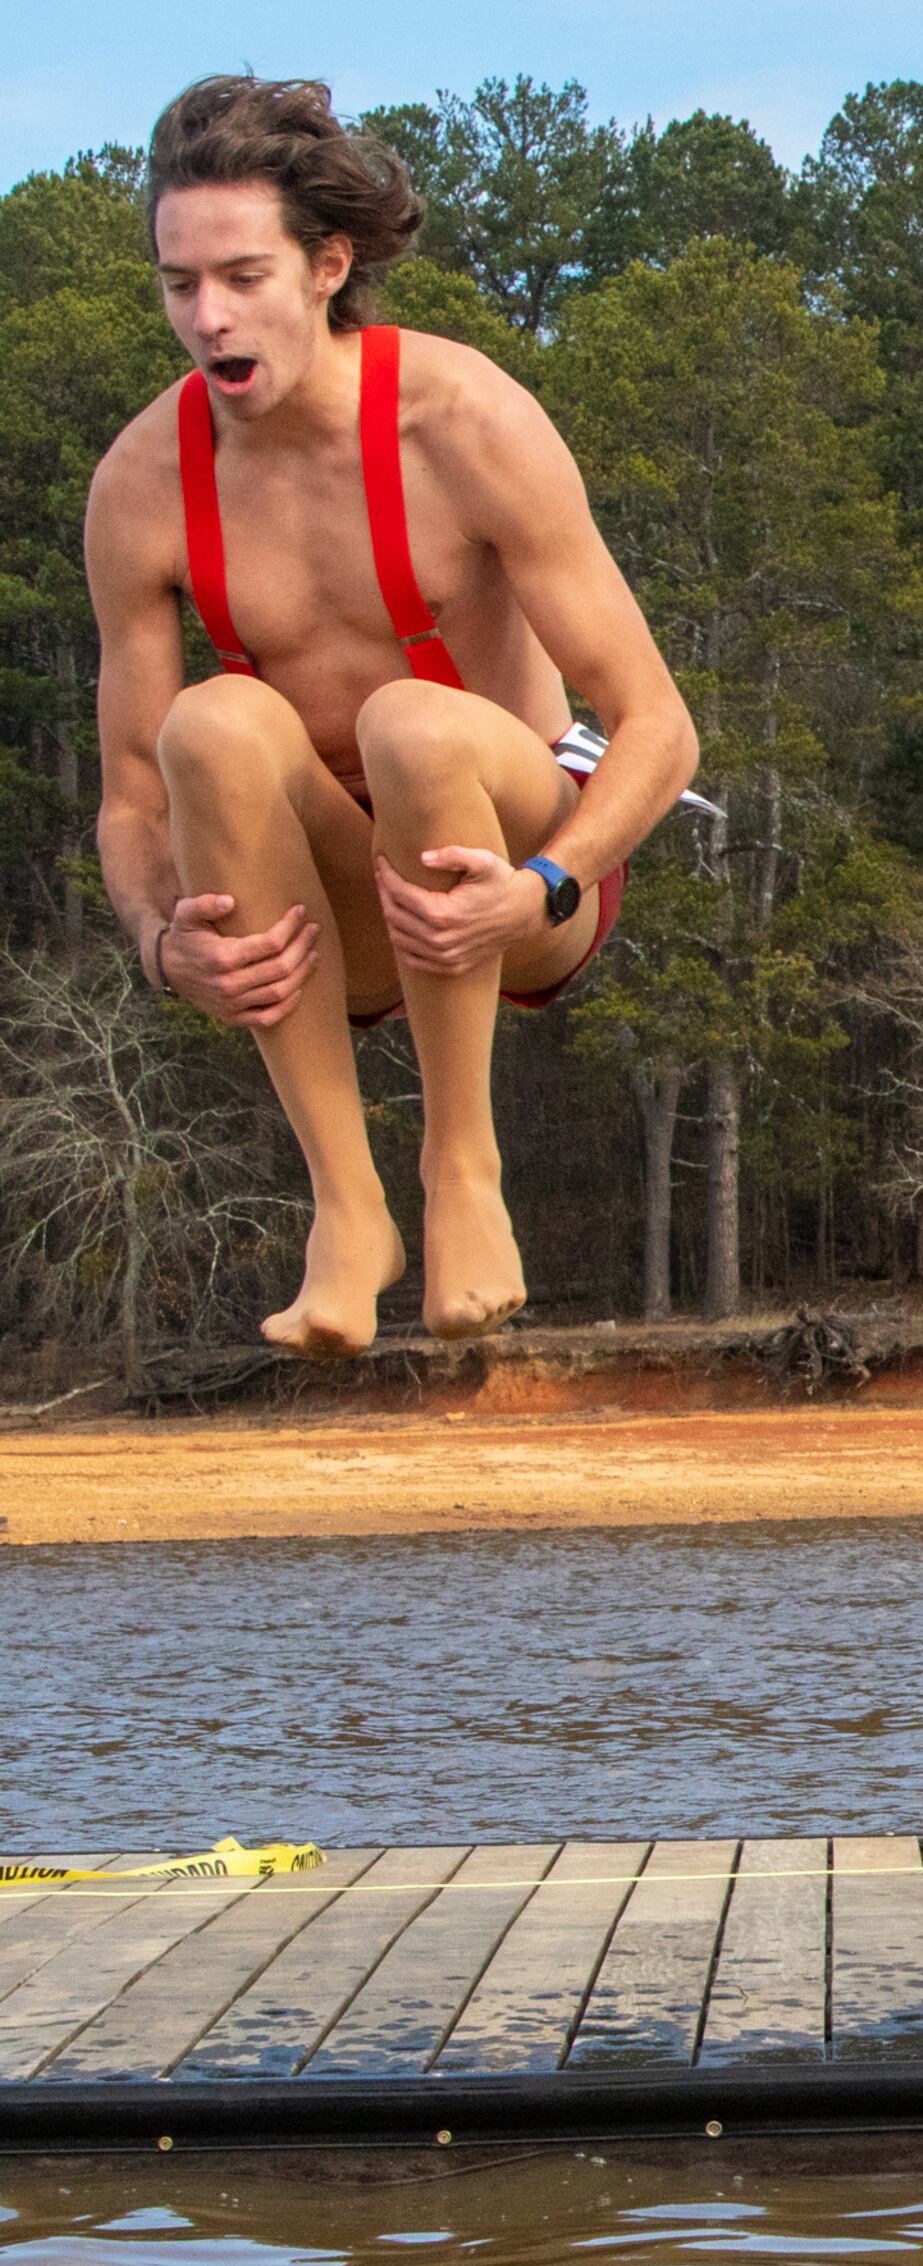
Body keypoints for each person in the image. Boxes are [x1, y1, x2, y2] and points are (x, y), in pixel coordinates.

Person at [84, 77, 700, 1355]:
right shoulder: (141, 484)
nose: (207, 317)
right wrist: (158, 944)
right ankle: (346, 1209)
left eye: (242, 276)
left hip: (513, 877)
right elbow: (133, 802)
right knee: (208, 725)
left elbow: (657, 725)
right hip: (330, 919)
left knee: (413, 721)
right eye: (178, 284)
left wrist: (548, 884)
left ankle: (460, 1169)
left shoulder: (461, 419)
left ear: (327, 264)